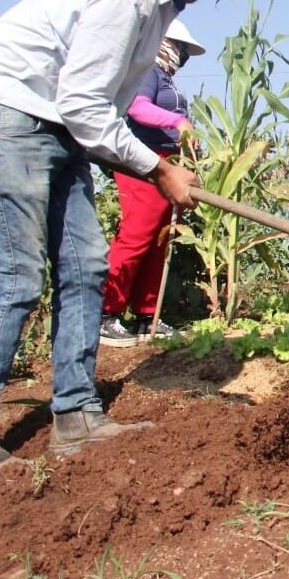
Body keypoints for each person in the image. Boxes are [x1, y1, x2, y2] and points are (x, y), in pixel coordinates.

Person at [0, 0, 258, 475]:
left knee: (86, 266)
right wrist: (160, 169)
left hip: (60, 127)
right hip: (4, 112)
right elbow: (87, 103)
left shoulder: (160, 5)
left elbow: (97, 107)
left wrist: (150, 164)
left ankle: (77, 414)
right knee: (14, 274)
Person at [99, 20, 206, 348]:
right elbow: (138, 108)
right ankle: (105, 313)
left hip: (169, 164)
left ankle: (149, 314)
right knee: (137, 234)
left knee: (160, 239)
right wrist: (178, 121)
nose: (182, 56)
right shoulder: (146, 73)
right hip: (144, 163)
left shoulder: (166, 79)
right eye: (180, 49)